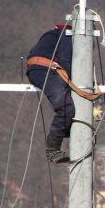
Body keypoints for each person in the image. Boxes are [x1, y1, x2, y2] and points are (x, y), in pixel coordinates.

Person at [26, 22, 74, 163]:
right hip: (45, 70)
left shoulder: (52, 35)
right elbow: (65, 58)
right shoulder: (67, 34)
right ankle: (52, 150)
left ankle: (67, 129)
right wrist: (75, 83)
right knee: (66, 106)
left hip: (40, 69)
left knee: (68, 104)